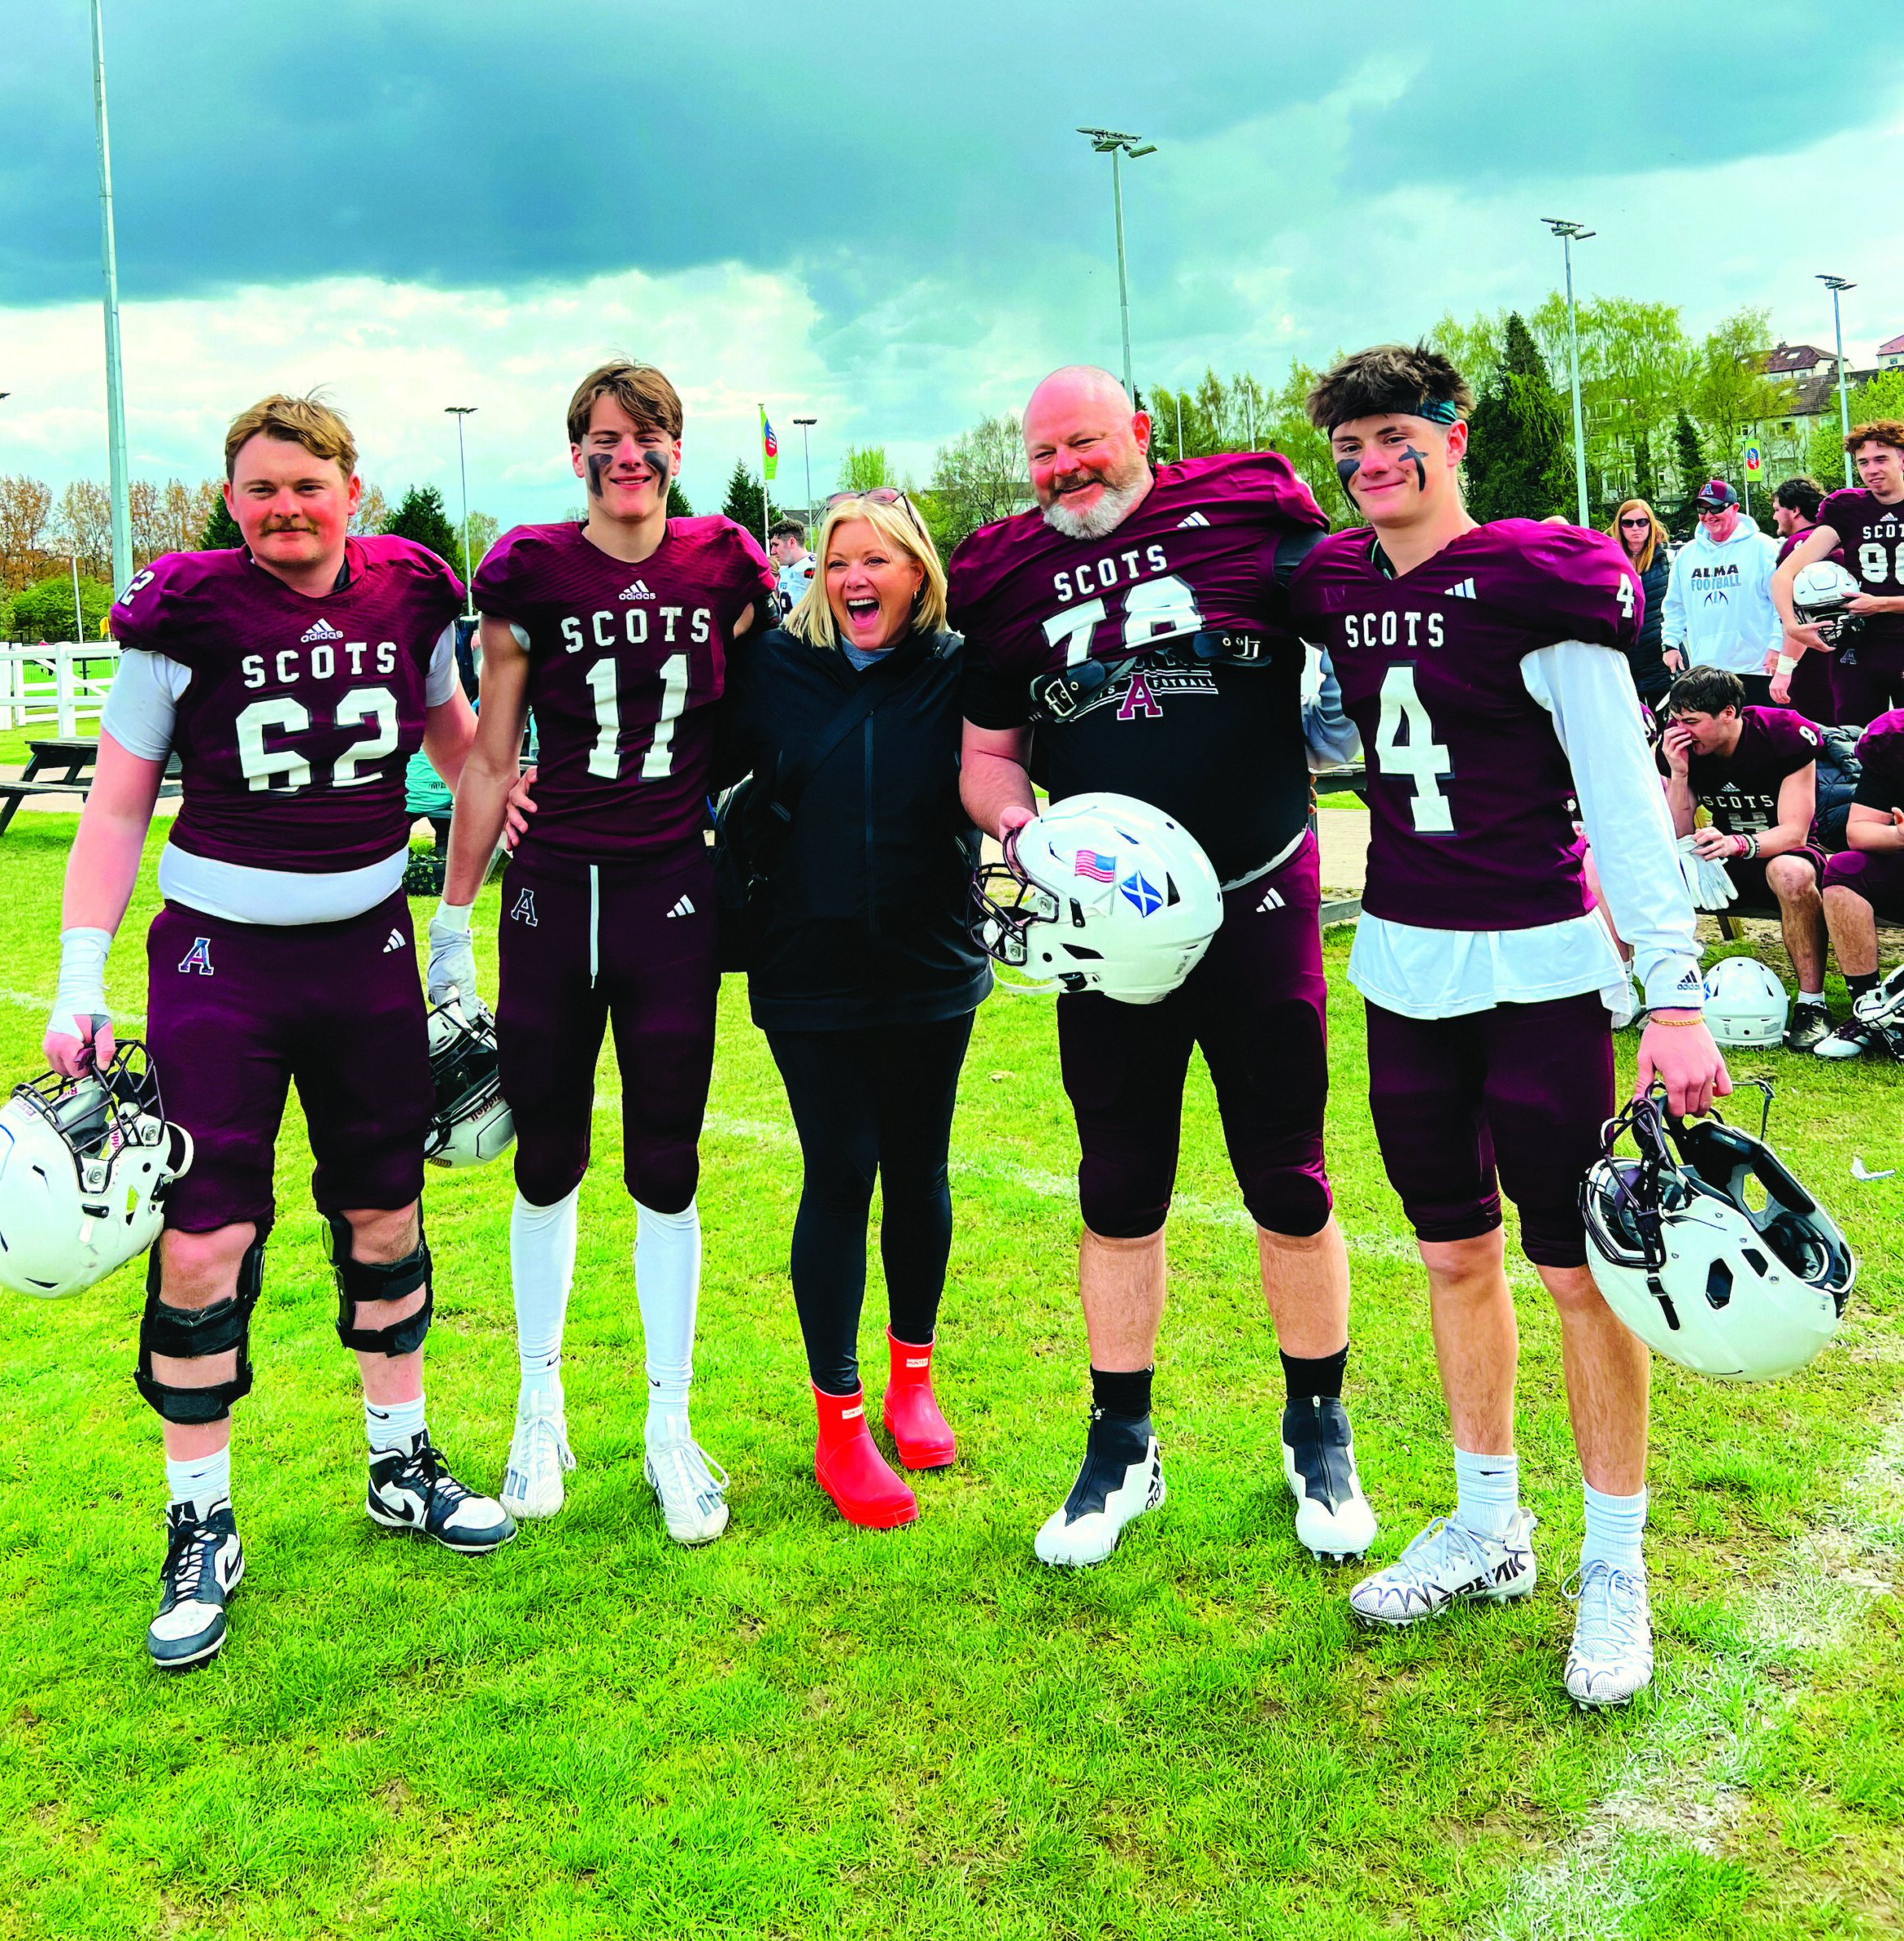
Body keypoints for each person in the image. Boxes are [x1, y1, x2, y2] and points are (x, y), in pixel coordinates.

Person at [43, 394, 513, 1672]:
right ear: (232, 498)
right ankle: (200, 1523)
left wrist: (514, 805)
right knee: (205, 1237)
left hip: (366, 947)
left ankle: (398, 1462)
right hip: (218, 956)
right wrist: (79, 975)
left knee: (386, 1209)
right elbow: (119, 804)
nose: (283, 506)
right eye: (258, 488)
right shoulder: (184, 607)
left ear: (352, 485)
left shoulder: (413, 589)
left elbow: (462, 743)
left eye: (304, 483)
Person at [1287, 343, 1727, 1710]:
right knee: (1451, 1256)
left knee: (1579, 1271)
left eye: (1396, 433)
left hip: (1537, 971)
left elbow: (1619, 797)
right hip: (1405, 971)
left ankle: (1616, 1559)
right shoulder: (1339, 582)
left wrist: (1675, 992)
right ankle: (1489, 1523)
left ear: (1456, 433)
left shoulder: (1542, 580)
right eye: (1351, 442)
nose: (1372, 462)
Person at [954, 364, 1375, 1573]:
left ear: (1141, 431)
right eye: (1043, 455)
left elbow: (1356, 609)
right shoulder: (1006, 572)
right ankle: (1121, 1440)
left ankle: (1317, 1421)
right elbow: (988, 753)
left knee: (1288, 1173)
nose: (1065, 471)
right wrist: (1019, 825)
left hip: (1257, 892)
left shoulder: (1247, 505)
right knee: (1119, 1178)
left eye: (1084, 444)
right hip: (1107, 927)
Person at [440, 360, 775, 1546]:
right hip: (550, 893)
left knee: (669, 1160)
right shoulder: (530, 566)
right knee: (546, 1156)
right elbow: (488, 752)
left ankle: (670, 1425)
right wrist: (452, 913)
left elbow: (757, 703)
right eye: (602, 439)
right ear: (574, 452)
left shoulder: (727, 562)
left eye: (644, 439)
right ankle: (542, 1405)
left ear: (677, 450)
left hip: (670, 889)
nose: (623, 457)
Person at [714, 491, 991, 1528]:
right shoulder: (776, 671)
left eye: (877, 560)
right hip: (807, 968)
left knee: (919, 1167)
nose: (854, 580)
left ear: (919, 571)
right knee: (838, 1174)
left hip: (932, 965)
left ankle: (913, 1376)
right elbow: (684, 759)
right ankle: (840, 1423)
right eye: (837, 564)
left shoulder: (964, 667)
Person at [1658, 665, 1832, 1047]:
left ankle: (1812, 1004)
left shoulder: (1782, 735)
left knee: (1790, 873)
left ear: (1729, 713)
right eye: (1675, 720)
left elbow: (1794, 832)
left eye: (1691, 721)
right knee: (1652, 870)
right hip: (1726, 856)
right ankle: (1663, 996)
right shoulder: (1680, 749)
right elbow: (1680, 835)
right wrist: (1680, 775)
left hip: (1786, 852)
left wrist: (1740, 843)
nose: (1680, 730)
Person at [1774, 421, 1904, 726]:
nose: (1871, 469)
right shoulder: (1847, 508)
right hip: (1859, 645)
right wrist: (1792, 626)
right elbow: (1784, 575)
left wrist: (1881, 604)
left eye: (1881, 459)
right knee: (1854, 740)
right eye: (1863, 462)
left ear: (1902, 459)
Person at [1816, 705, 1904, 1061]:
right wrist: (1900, 835)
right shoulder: (1894, 740)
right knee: (1845, 869)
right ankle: (1868, 1008)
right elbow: (1858, 830)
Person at [1662, 481, 1782, 706]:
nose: (1708, 516)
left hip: (1756, 668)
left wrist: (1777, 646)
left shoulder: (1763, 548)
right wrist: (1670, 643)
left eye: (1716, 508)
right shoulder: (1687, 555)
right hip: (1707, 672)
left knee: (1756, 736)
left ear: (1735, 508)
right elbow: (1674, 606)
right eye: (1702, 509)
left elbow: (1781, 605)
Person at [1766, 477, 1833, 722]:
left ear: (1794, 510)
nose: (1774, 517)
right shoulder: (1836, 539)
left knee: (1809, 741)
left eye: (1776, 510)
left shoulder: (1797, 547)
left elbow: (1800, 613)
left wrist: (1784, 670)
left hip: (1811, 663)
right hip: (1844, 660)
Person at [1606, 499, 1671, 709]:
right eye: (1628, 523)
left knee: (1665, 726)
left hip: (1660, 657)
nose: (1636, 528)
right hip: (1624, 659)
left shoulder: (1668, 560)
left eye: (1642, 522)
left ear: (1651, 524)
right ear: (1620, 526)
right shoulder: (1609, 562)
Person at [769, 519, 816, 614]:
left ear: (791, 542)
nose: (772, 551)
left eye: (776, 545)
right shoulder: (784, 569)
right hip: (786, 627)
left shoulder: (813, 568)